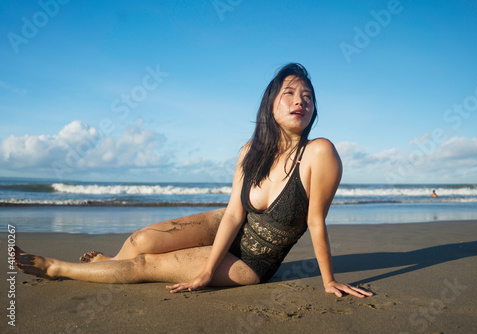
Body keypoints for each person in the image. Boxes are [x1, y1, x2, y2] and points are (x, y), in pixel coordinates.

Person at [15, 63, 372, 298]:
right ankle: (109, 263)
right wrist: (207, 264)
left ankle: (56, 267)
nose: (300, 102)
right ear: (271, 105)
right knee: (139, 240)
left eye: (308, 97)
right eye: (290, 94)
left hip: (252, 262)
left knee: (145, 266)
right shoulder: (252, 150)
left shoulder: (320, 153)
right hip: (229, 226)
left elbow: (315, 221)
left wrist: (328, 281)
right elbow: (233, 214)